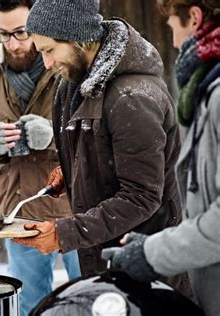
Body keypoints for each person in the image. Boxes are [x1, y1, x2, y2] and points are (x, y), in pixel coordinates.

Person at [12, 0, 191, 294]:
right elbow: (102, 150)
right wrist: (71, 170)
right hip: (104, 262)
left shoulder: (132, 99)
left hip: (146, 268)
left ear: (78, 38)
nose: (46, 64)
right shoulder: (70, 85)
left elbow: (142, 196)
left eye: (49, 50)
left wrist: (63, 233)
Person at [101, 1, 220, 315]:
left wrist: (151, 254)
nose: (175, 43)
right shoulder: (208, 92)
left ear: (194, 17)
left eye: (172, 28)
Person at [0, 1, 81, 314]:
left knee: (91, 294)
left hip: (74, 204)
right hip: (20, 208)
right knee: (29, 305)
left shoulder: (65, 65)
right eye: (4, 35)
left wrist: (52, 135)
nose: (13, 44)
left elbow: (92, 135)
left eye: (21, 32)